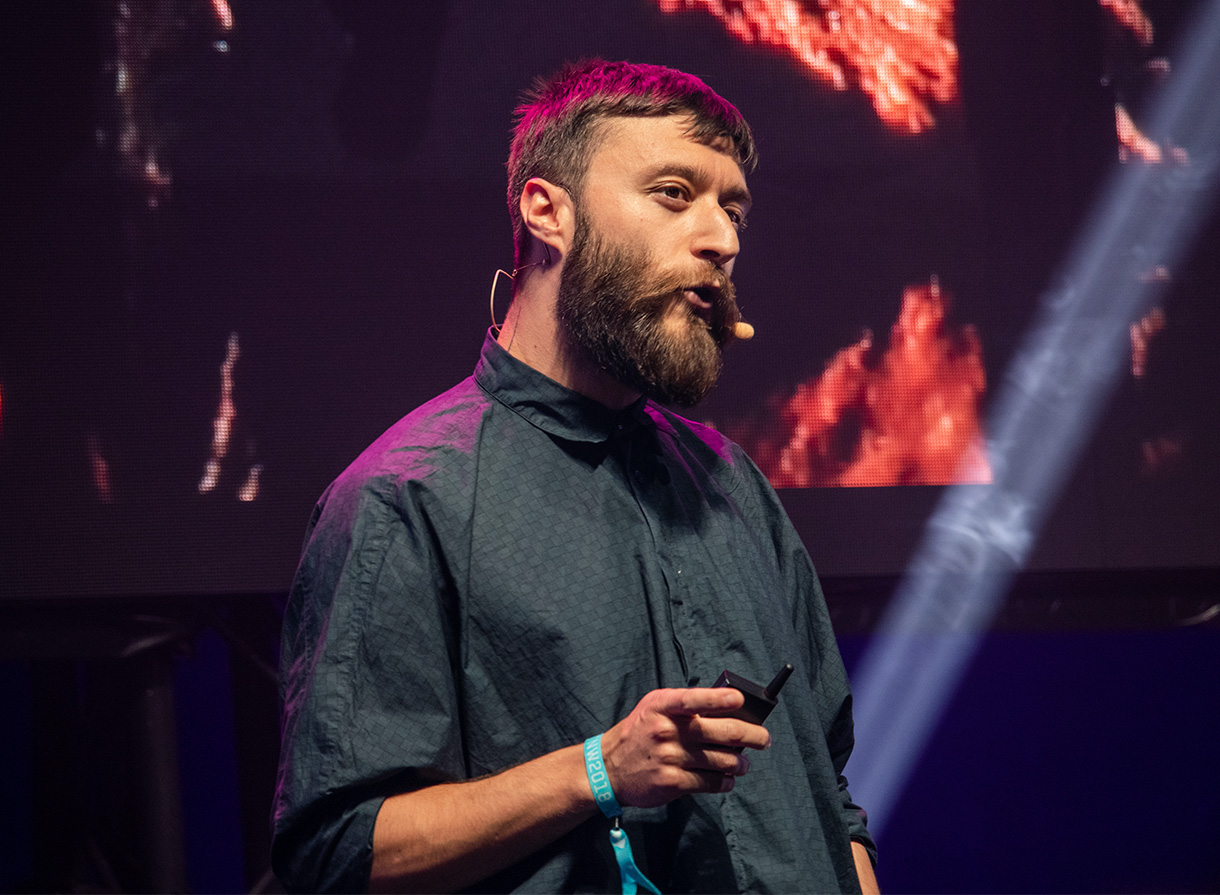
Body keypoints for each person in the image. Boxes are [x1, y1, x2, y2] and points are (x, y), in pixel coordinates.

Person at [273, 59, 879, 894]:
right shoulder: (406, 497)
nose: (723, 239)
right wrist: (597, 770)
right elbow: (341, 851)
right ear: (546, 211)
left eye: (733, 209)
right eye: (674, 193)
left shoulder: (731, 482)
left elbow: (827, 794)